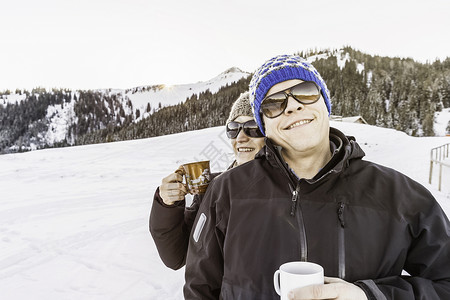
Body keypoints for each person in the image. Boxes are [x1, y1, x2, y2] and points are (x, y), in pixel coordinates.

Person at [184, 54, 450, 299]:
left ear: (325, 103)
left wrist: (370, 296)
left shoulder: (400, 196)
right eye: (274, 103)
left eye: (305, 92)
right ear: (263, 124)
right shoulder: (227, 191)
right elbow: (200, 289)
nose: (292, 107)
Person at [149, 91, 264, 270]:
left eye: (253, 127)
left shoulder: (289, 187)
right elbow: (177, 256)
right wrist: (167, 206)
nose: (240, 137)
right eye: (234, 129)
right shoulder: (213, 186)